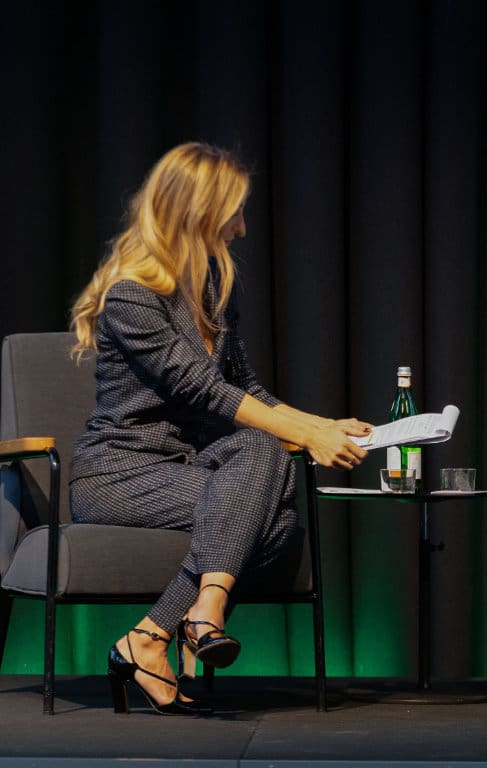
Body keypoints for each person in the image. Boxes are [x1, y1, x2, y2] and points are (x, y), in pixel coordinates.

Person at [69, 142, 371, 716]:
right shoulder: (130, 294)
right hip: (120, 474)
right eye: (234, 212)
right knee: (270, 503)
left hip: (189, 468)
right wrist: (307, 437)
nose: (242, 228)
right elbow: (202, 390)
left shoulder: (209, 289)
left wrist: (322, 424)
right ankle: (184, 621)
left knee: (272, 497)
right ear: (198, 211)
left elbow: (246, 388)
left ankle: (155, 635)